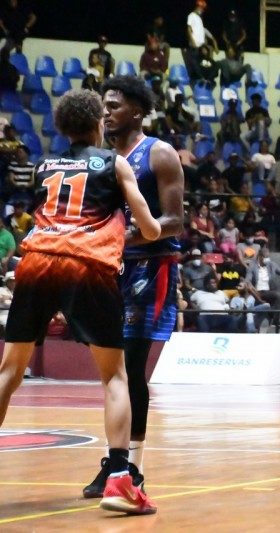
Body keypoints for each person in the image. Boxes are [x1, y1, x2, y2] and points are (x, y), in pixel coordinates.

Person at [0, 89, 161, 514]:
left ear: (61, 127)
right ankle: (120, 480)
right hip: (86, 266)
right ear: (98, 124)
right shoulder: (114, 163)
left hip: (37, 261)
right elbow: (150, 228)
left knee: (9, 371)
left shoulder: (44, 165)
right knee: (115, 378)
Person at [83, 75, 185, 500]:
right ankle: (116, 461)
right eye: (103, 106)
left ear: (137, 112)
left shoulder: (158, 153)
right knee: (112, 372)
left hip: (151, 267)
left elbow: (175, 221)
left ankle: (133, 468)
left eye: (114, 106)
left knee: (130, 367)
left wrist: (121, 238)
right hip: (111, 268)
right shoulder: (102, 159)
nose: (105, 112)